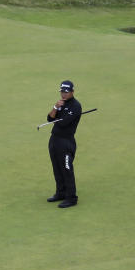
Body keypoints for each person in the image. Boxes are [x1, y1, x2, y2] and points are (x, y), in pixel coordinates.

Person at [45, 80, 83, 208]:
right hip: (54, 140)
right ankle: (60, 193)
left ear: (72, 92)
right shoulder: (60, 104)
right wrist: (55, 107)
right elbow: (50, 118)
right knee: (57, 168)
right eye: (62, 92)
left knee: (67, 169)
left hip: (66, 142)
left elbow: (63, 123)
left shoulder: (76, 106)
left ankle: (71, 198)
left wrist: (57, 118)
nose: (63, 94)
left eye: (66, 92)